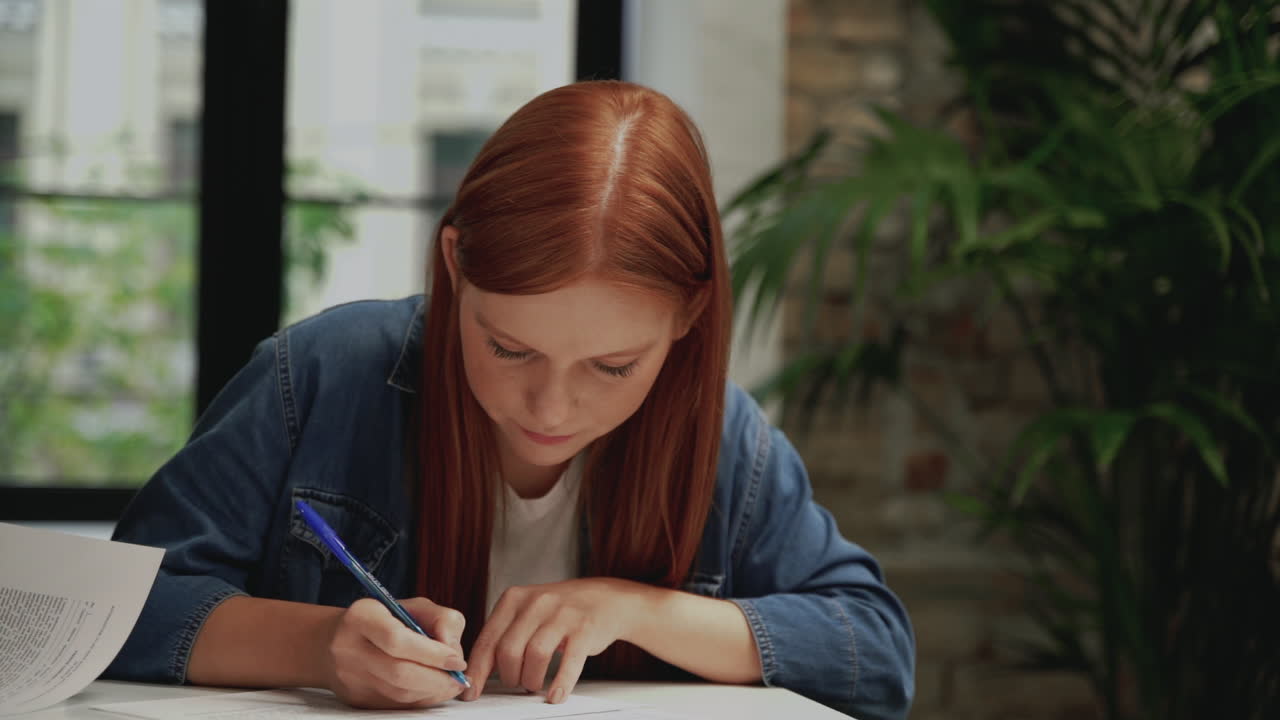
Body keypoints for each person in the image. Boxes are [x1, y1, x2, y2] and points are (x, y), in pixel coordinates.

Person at [105, 81, 915, 720]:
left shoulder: (723, 440)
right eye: (508, 348)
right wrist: (320, 647)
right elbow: (118, 613)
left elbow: (877, 654)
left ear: (689, 318)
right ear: (455, 264)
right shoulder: (319, 376)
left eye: (612, 366)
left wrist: (631, 609)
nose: (551, 408)